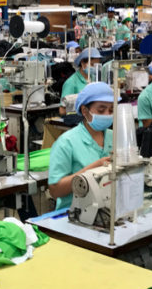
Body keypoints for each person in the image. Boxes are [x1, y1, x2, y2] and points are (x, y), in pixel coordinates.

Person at [49, 82, 117, 210]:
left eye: (111, 110)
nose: (107, 114)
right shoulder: (66, 142)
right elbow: (55, 190)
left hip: (109, 208)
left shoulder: (114, 137)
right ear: (84, 110)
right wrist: (93, 169)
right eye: (101, 110)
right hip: (73, 213)